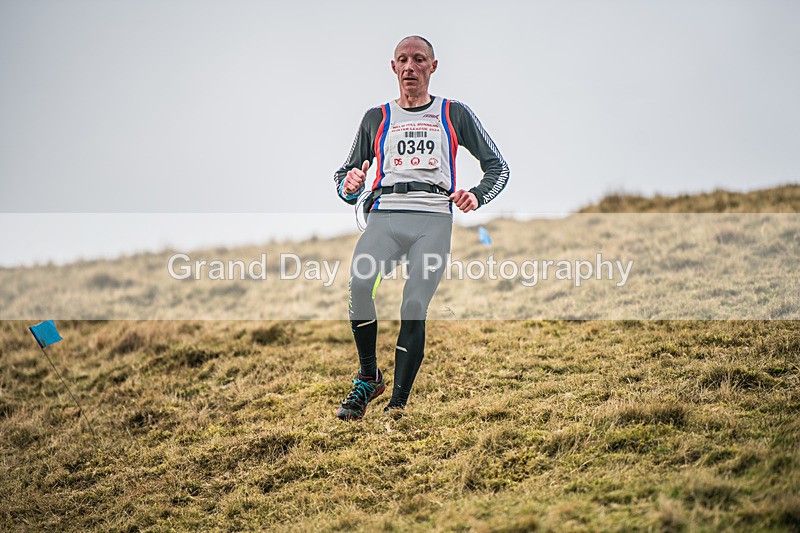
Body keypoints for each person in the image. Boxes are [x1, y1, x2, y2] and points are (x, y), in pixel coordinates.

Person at [332, 35, 509, 420]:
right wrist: (350, 185)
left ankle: (397, 407)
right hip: (386, 216)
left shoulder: (453, 113)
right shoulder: (376, 117)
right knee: (360, 284)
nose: (410, 66)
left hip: (433, 220)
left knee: (413, 305)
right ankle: (368, 378)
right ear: (393, 67)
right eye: (403, 60)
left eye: (418, 59)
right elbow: (345, 177)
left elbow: (498, 167)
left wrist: (476, 195)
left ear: (433, 66)